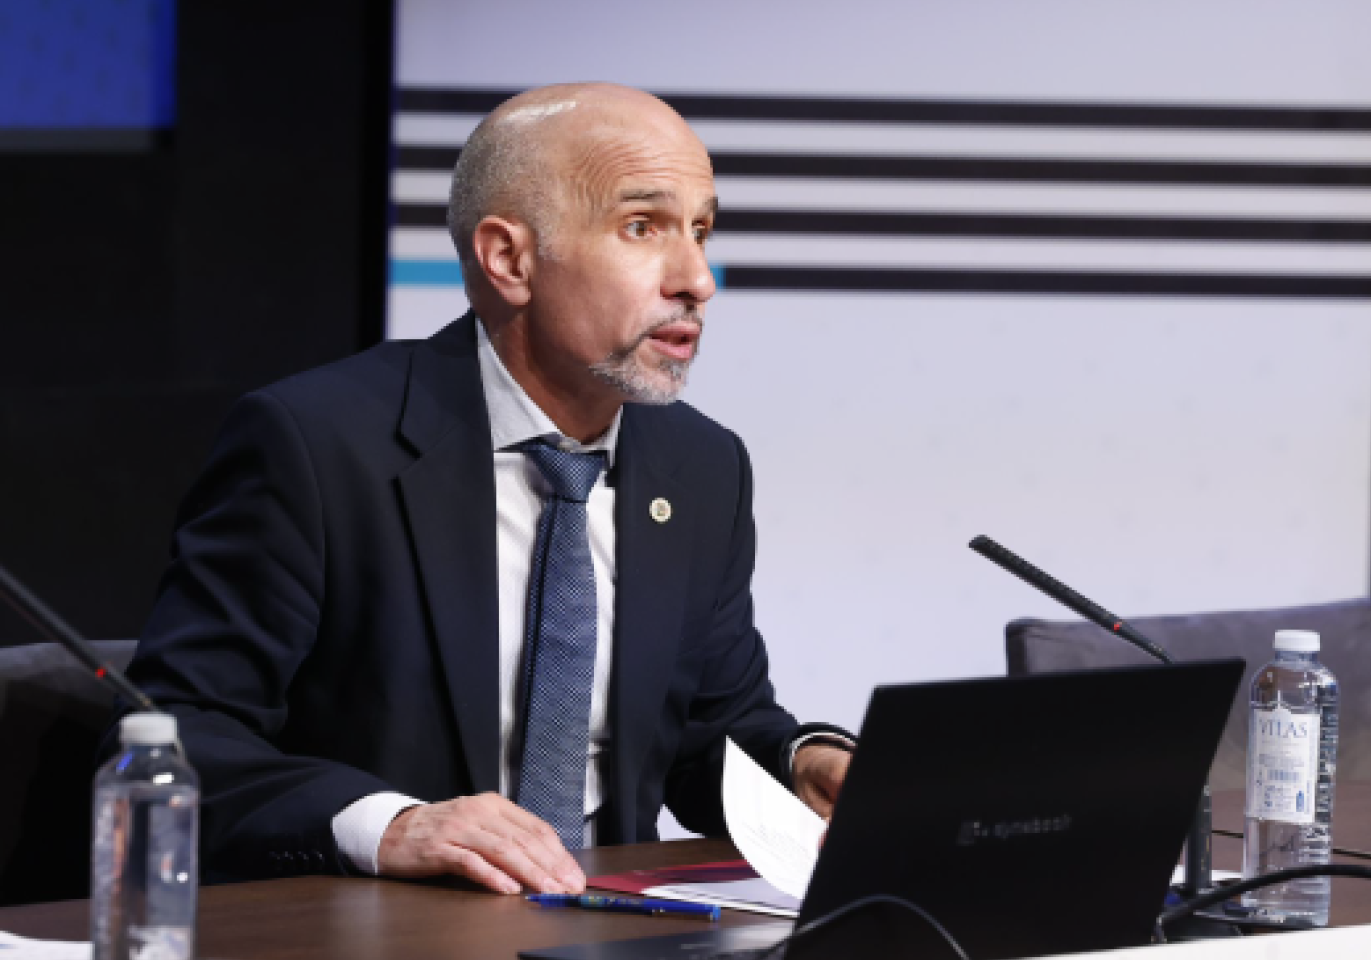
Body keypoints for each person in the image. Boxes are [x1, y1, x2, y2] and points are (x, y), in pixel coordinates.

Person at [117, 83, 853, 896]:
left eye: (702, 230)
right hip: (386, 931)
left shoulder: (703, 465)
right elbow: (178, 736)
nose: (697, 279)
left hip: (621, 936)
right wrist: (390, 823)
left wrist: (801, 763)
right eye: (642, 227)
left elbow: (706, 733)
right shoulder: (317, 445)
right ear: (510, 259)